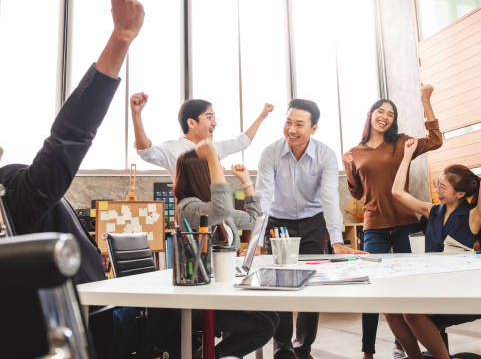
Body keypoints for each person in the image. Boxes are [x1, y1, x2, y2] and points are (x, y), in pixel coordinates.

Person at [0, 0, 177, 358]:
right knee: (187, 312)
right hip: (95, 325)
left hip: (58, 330)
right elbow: (67, 140)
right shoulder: (7, 193)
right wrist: (120, 38)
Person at [384, 126, 481, 359]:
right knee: (390, 309)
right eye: (436, 184)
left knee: (412, 314)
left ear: (460, 194)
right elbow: (397, 192)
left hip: (462, 291)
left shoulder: (473, 217)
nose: (437, 190)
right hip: (434, 288)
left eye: (442, 187)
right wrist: (407, 156)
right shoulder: (433, 212)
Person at [255, 98, 363, 359]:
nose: (292, 129)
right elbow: (264, 198)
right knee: (280, 285)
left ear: (313, 128)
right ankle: (282, 348)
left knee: (310, 285)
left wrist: (336, 240)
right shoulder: (270, 153)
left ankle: (303, 347)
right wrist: (257, 242)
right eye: (288, 122)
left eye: (299, 124)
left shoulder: (325, 154)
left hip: (313, 222)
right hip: (278, 224)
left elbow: (329, 197)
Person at [342, 85, 442, 359]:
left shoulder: (402, 142)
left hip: (406, 224)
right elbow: (358, 192)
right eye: (380, 111)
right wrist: (348, 167)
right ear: (370, 115)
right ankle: (368, 352)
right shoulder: (356, 151)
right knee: (371, 287)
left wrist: (425, 101)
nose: (384, 115)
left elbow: (436, 140)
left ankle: (403, 345)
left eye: (390, 113)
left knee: (408, 288)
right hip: (374, 226)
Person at [174, 139, 279, 358]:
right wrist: (211, 157)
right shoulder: (189, 207)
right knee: (263, 326)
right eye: (214, 165)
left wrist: (246, 183)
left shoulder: (214, 211)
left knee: (271, 317)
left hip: (220, 289)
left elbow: (253, 219)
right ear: (203, 173)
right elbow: (220, 209)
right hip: (200, 297)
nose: (220, 168)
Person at [131, 91, 274, 179]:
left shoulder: (214, 147)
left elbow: (242, 142)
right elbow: (146, 151)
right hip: (191, 220)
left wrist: (262, 115)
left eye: (214, 117)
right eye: (209, 117)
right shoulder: (174, 149)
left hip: (216, 216)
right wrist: (136, 115)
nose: (214, 123)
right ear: (192, 123)